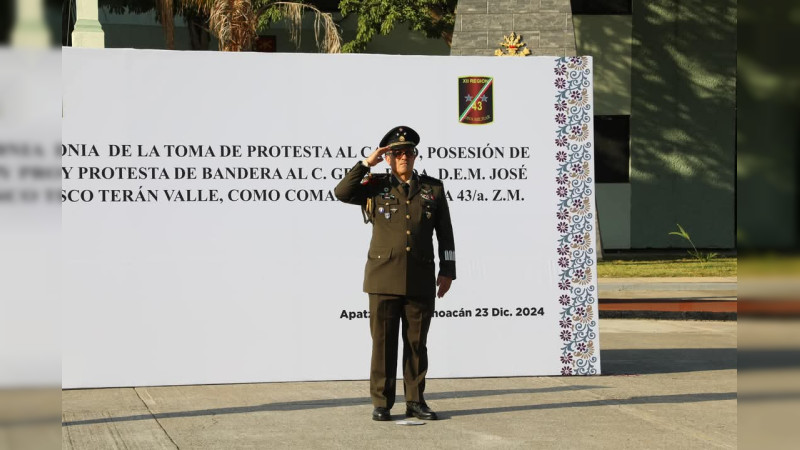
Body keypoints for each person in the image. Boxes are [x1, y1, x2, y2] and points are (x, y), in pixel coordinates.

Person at [334, 126, 456, 422]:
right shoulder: (374, 185)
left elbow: (446, 233)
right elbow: (342, 192)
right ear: (389, 158)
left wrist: (448, 270)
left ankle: (415, 401)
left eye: (408, 152)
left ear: (415, 156)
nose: (404, 157)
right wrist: (367, 162)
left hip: (420, 277)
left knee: (416, 344)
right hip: (383, 277)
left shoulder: (433, 188)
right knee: (384, 344)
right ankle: (382, 402)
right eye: (397, 153)